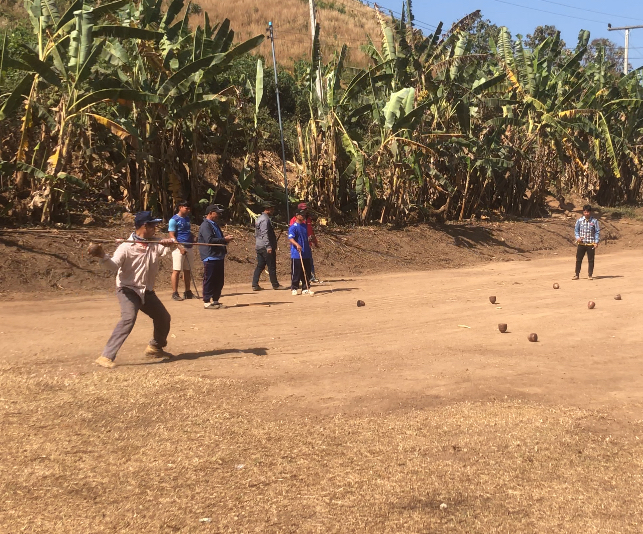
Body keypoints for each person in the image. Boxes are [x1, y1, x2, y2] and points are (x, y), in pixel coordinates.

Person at [89, 211, 176, 369]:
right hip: (127, 289)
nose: (155, 228)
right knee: (128, 318)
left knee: (163, 317)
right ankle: (106, 356)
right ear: (145, 226)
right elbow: (113, 266)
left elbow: (167, 249)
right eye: (153, 225)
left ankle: (155, 347)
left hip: (146, 291)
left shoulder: (155, 243)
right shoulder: (125, 247)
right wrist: (102, 256)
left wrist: (171, 243)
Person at [198, 204, 234, 309]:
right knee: (209, 279)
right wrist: (224, 239)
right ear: (210, 213)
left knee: (219, 280)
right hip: (210, 256)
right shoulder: (205, 225)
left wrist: (225, 240)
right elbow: (209, 240)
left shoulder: (214, 224)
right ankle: (206, 301)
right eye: (216, 213)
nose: (218, 215)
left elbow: (218, 238)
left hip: (219, 256)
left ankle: (215, 300)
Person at [252, 201, 284, 290]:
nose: (273, 210)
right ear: (267, 209)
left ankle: (255, 284)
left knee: (260, 265)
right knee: (271, 266)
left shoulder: (259, 218)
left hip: (259, 245)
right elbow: (264, 233)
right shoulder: (265, 220)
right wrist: (268, 246)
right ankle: (275, 285)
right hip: (265, 247)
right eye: (272, 209)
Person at [168, 200, 195, 301]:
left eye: (189, 208)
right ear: (180, 207)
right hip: (179, 247)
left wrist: (193, 237)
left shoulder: (187, 218)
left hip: (189, 246)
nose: (188, 210)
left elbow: (186, 231)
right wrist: (179, 247)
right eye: (186, 208)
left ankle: (187, 291)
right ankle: (175, 293)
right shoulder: (173, 220)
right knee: (177, 270)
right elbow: (171, 235)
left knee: (187, 270)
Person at [289, 202, 320, 282]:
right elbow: (293, 233)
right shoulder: (294, 221)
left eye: (306, 209)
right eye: (303, 210)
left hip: (307, 244)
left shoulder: (308, 219)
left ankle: (310, 277)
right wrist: (297, 244)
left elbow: (310, 231)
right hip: (298, 246)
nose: (305, 212)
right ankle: (298, 280)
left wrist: (314, 241)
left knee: (309, 261)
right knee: (298, 263)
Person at [288, 209, 314, 295]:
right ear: (297, 215)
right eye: (301, 215)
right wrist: (297, 244)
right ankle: (294, 287)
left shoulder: (304, 226)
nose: (303, 216)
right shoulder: (293, 227)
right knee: (296, 271)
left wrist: (309, 239)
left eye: (304, 215)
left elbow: (305, 237)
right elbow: (291, 238)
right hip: (297, 253)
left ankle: (305, 287)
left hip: (306, 252)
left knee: (306, 271)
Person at [573, 204, 600, 280]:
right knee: (578, 259)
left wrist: (596, 242)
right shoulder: (579, 221)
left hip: (590, 244)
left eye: (588, 212)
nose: (586, 213)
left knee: (591, 260)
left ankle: (590, 275)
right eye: (585, 212)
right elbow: (576, 230)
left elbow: (597, 232)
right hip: (581, 243)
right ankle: (576, 274)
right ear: (583, 212)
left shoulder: (594, 221)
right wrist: (578, 237)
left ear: (590, 212)